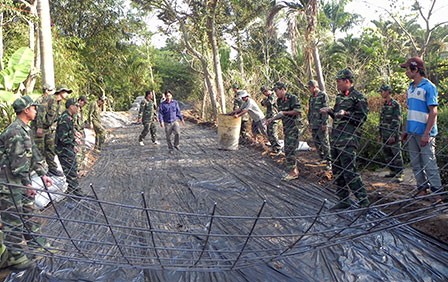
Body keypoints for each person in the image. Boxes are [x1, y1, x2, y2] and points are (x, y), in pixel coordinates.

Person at [0, 95, 53, 270]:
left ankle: (37, 244)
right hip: (9, 184)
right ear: (26, 110)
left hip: (19, 181)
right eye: (34, 108)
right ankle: (15, 256)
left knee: (30, 213)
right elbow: (17, 163)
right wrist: (27, 184)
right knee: (13, 220)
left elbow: (34, 154)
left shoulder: (24, 129)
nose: (36, 111)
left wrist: (43, 173)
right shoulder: (14, 131)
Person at [320, 69, 369, 210]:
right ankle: (344, 199)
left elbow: (362, 118)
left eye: (339, 82)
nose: (337, 85)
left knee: (349, 170)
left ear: (347, 81)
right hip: (336, 139)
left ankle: (363, 200)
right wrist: (330, 111)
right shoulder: (339, 97)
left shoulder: (358, 97)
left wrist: (347, 113)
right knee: (338, 171)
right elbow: (337, 116)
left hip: (349, 140)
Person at [400, 57, 443, 201]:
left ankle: (437, 192)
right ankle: (422, 189)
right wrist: (406, 129)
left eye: (407, 69)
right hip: (412, 132)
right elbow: (411, 111)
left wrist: (427, 133)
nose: (406, 72)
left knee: (429, 162)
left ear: (415, 69)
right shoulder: (410, 88)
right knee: (415, 162)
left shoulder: (428, 87)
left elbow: (433, 112)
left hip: (425, 133)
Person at [266, 82, 301, 181]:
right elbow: (280, 114)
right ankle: (294, 170)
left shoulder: (292, 98)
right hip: (287, 127)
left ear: (282, 89)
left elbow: (298, 111)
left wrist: (284, 112)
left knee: (290, 149)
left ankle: (293, 172)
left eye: (276, 91)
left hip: (294, 127)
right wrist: (271, 119)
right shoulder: (279, 101)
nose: (276, 93)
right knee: (288, 149)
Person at [55, 98, 86, 197]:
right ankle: (75, 191)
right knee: (71, 169)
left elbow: (69, 133)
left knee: (72, 167)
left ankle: (72, 189)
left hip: (67, 148)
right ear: (71, 106)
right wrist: (73, 142)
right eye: (76, 106)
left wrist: (74, 137)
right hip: (63, 149)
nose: (78, 108)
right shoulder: (65, 119)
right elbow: (62, 138)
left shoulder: (69, 117)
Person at [378, 84, 404, 182]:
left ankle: (400, 174)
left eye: (382, 91)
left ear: (388, 92)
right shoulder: (385, 105)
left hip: (393, 135)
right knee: (387, 153)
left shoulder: (395, 104)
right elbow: (381, 121)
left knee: (396, 153)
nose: (381, 93)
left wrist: (393, 135)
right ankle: (393, 171)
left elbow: (397, 121)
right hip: (384, 134)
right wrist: (380, 134)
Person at [307, 80, 331, 170]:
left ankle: (329, 161)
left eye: (309, 87)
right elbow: (310, 111)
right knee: (316, 142)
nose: (309, 89)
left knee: (324, 142)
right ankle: (322, 158)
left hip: (321, 124)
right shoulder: (311, 97)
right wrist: (309, 123)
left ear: (314, 87)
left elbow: (326, 110)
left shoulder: (323, 95)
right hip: (314, 123)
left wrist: (325, 123)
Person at [260, 86, 282, 154]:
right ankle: (274, 148)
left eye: (265, 92)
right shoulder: (269, 97)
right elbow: (263, 103)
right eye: (263, 92)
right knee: (269, 133)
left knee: (273, 133)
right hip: (269, 117)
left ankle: (278, 148)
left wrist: (264, 101)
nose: (265, 94)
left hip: (274, 117)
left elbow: (268, 103)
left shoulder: (273, 95)